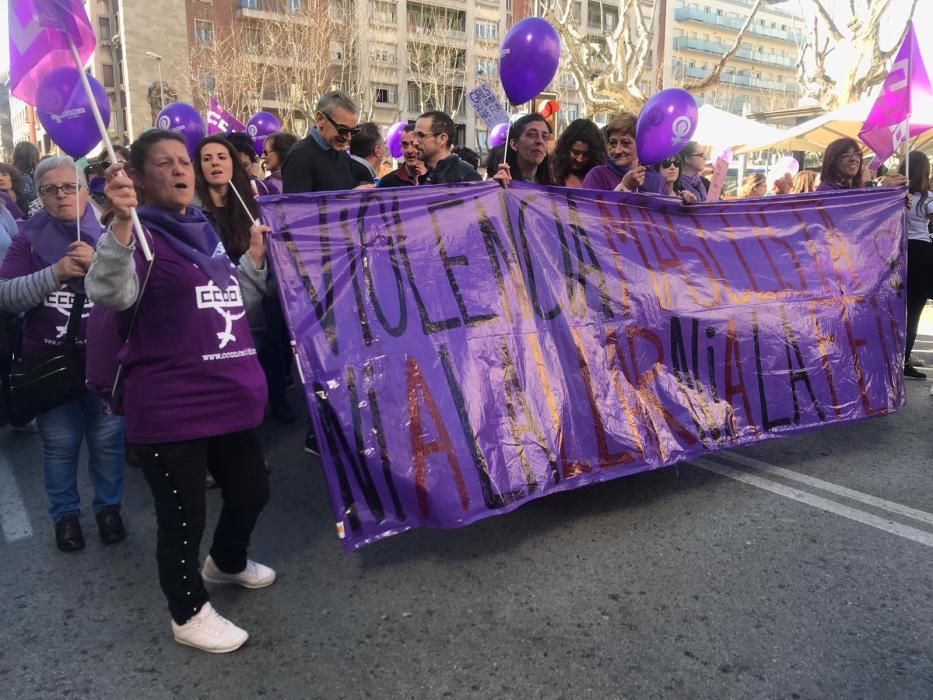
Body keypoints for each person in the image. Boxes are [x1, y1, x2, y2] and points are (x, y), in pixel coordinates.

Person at [85, 129, 275, 653]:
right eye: (163, 164)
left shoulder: (204, 230)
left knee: (252, 490)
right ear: (141, 180)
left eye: (182, 161)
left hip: (228, 396)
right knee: (182, 518)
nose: (179, 170)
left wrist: (254, 261)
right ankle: (187, 611)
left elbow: (230, 304)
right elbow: (108, 292)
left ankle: (228, 562)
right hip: (171, 407)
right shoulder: (136, 234)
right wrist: (121, 223)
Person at [0, 156, 126, 552]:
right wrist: (56, 272)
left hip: (103, 363)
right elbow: (6, 296)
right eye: (50, 189)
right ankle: (65, 517)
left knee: (107, 439)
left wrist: (97, 267)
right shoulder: (26, 236)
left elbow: (133, 289)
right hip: (49, 365)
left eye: (70, 186)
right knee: (59, 444)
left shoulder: (113, 230)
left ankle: (109, 509)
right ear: (39, 196)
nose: (61, 195)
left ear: (87, 190)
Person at [194, 135, 293, 423]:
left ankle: (276, 401)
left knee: (267, 363)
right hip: (222, 311)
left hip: (259, 306)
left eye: (222, 157)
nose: (215, 163)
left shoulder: (252, 205)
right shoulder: (193, 213)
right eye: (207, 158)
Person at [282, 90, 372, 193]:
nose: (348, 137)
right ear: (320, 119)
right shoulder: (299, 156)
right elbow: (298, 207)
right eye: (343, 130)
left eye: (353, 131)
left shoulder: (343, 156)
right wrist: (350, 197)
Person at [582, 113, 682, 198]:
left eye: (625, 143)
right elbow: (590, 216)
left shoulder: (655, 181)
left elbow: (664, 217)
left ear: (641, 145)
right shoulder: (598, 175)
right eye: (612, 143)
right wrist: (624, 186)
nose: (617, 151)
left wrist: (685, 204)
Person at [898, 151, 933, 379]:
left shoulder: (894, 195)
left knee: (895, 310)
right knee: (914, 312)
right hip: (922, 253)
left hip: (897, 252)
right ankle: (905, 361)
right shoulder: (929, 198)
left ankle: (888, 358)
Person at [414, 111, 482, 185]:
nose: (415, 142)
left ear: (442, 139)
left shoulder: (466, 176)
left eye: (421, 136)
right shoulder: (425, 176)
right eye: (415, 136)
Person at [550, 118, 606, 187]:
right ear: (565, 148)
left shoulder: (599, 176)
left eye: (586, 155)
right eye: (576, 152)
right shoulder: (551, 171)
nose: (579, 159)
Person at [505, 114, 554, 185]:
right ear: (514, 144)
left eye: (545, 137)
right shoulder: (500, 185)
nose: (540, 141)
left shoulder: (553, 189)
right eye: (532, 134)